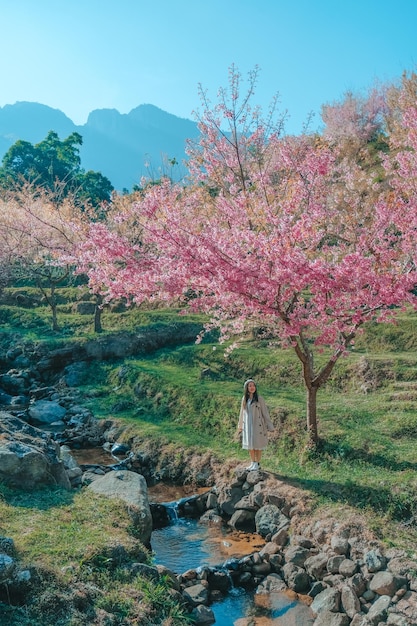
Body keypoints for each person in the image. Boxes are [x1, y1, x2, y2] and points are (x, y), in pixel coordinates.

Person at [237, 379, 275, 471]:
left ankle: (257, 463)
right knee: (250, 445)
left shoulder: (259, 399)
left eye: (253, 385)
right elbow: (242, 413)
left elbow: (265, 413)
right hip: (247, 425)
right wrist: (240, 425)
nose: (252, 387)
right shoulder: (244, 399)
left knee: (257, 445)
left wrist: (270, 426)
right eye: (250, 386)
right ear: (246, 388)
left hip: (257, 425)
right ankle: (253, 462)